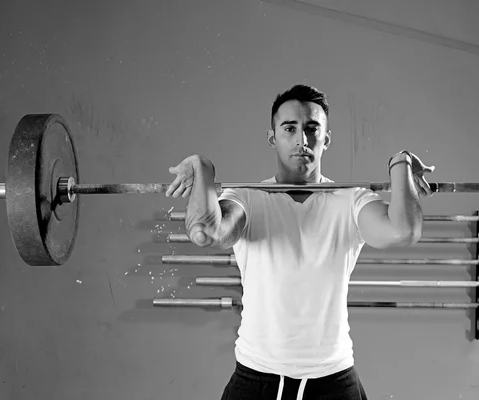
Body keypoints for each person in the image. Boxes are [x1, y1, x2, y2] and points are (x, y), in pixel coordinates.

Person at [166, 84, 434, 400]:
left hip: (333, 380)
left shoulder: (350, 200)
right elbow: (209, 232)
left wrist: (399, 164)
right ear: (272, 137)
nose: (302, 140)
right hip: (256, 378)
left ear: (326, 139)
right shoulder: (247, 198)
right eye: (290, 128)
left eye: (311, 128)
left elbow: (402, 231)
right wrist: (203, 169)